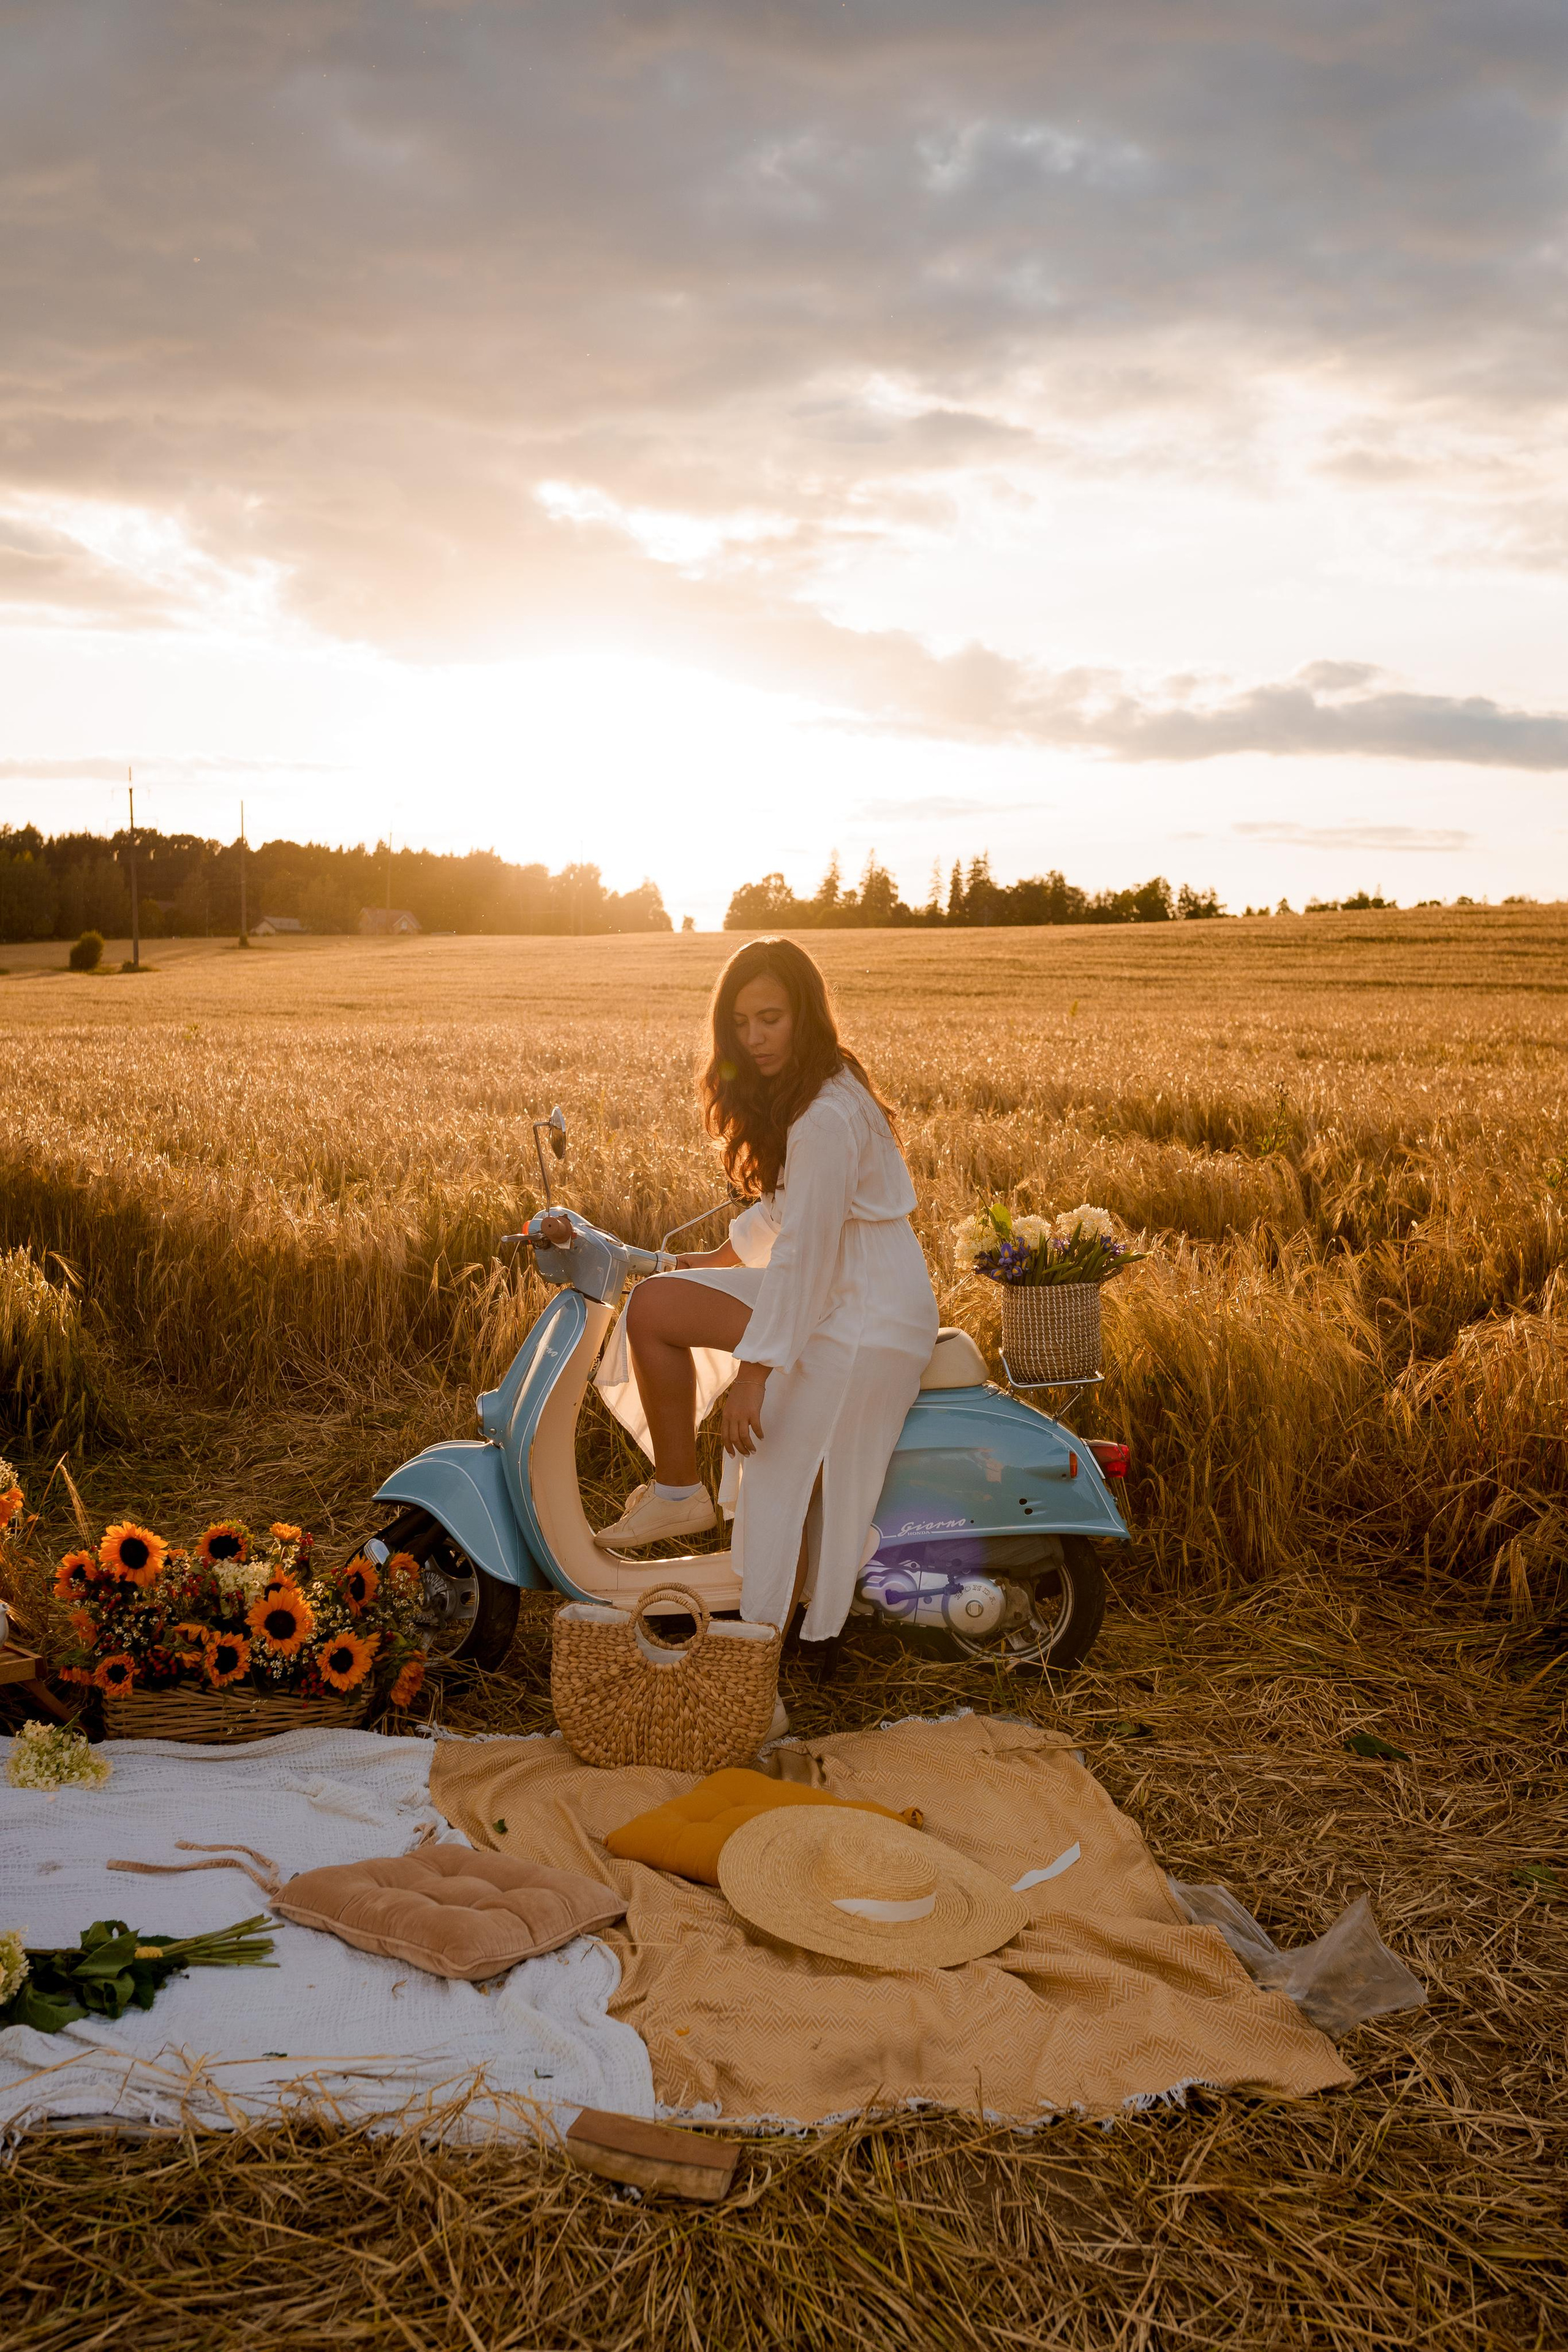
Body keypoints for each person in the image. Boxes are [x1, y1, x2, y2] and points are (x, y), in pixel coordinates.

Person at [591, 937, 939, 1651]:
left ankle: (757, 1656)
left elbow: (805, 1256)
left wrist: (755, 1374)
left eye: (770, 1019)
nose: (753, 1040)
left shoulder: (826, 1117)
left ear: (805, 1014)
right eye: (741, 1024)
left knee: (776, 1465)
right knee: (657, 1303)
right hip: (840, 1290)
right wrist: (670, 1263)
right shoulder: (818, 1092)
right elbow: (781, 1225)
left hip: (863, 1311)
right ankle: (678, 1492)